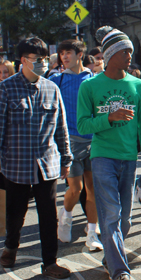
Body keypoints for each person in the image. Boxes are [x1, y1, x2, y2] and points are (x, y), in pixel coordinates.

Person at [0, 37, 72, 279]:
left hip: (48, 163)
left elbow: (61, 127)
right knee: (16, 212)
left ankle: (50, 261)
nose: (43, 63)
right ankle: (11, 246)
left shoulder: (52, 88)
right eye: (38, 59)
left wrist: (66, 158)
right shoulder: (5, 89)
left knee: (48, 214)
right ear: (23, 61)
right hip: (16, 164)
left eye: (44, 59)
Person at [77, 26, 141, 280]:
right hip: (102, 158)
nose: (130, 55)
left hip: (129, 159)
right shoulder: (90, 86)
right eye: (125, 51)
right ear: (110, 55)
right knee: (111, 216)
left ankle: (110, 258)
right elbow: (83, 125)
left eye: (131, 51)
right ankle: (121, 272)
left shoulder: (138, 86)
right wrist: (109, 117)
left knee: (125, 221)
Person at [48, 39, 103, 252]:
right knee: (75, 188)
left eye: (69, 52)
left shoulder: (94, 79)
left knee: (93, 190)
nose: (64, 57)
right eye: (62, 53)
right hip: (69, 142)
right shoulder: (57, 80)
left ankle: (91, 233)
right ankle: (66, 217)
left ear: (80, 55)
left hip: (93, 141)